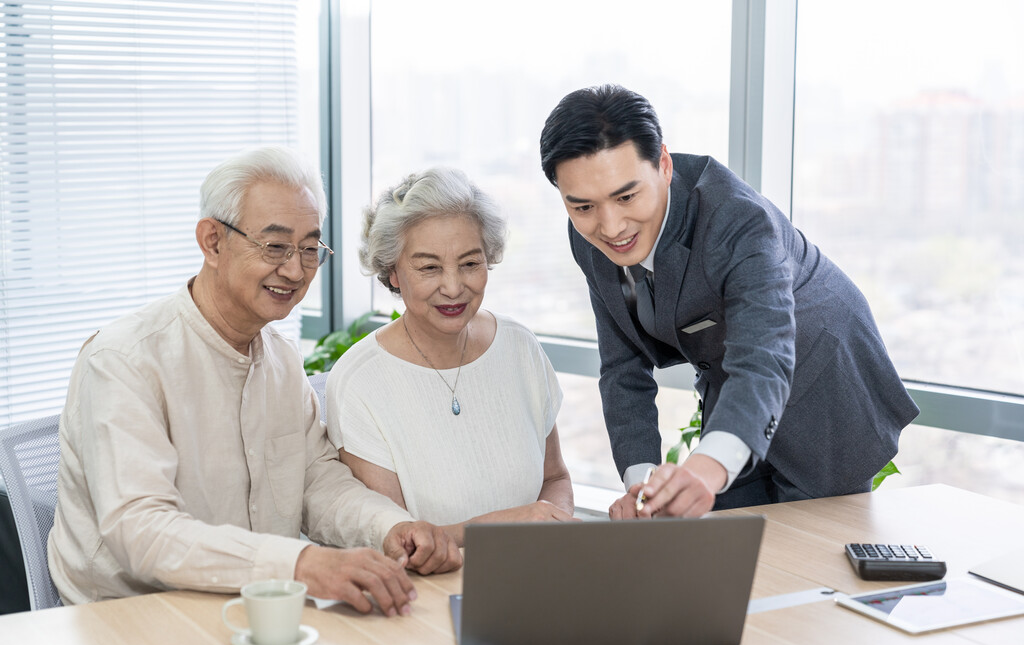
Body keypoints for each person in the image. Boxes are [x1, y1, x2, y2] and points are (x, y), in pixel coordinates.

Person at [48, 146, 461, 611]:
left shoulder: (281, 359)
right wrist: (300, 563)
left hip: (253, 609)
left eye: (309, 250)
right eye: (275, 246)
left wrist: (390, 527)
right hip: (128, 620)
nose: (294, 270)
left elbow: (317, 481)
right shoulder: (124, 360)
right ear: (212, 242)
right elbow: (142, 532)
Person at [539, 84, 920, 519]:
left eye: (627, 196)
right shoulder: (586, 238)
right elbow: (622, 368)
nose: (610, 226)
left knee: (811, 558)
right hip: (732, 386)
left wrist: (708, 466)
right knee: (726, 543)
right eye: (583, 206)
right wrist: (643, 485)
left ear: (663, 164)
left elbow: (764, 358)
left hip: (820, 382)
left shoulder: (735, 218)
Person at [325, 167, 574, 545]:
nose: (454, 287)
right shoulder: (361, 381)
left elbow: (554, 479)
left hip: (535, 579)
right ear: (393, 272)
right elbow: (395, 540)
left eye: (470, 263)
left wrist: (550, 529)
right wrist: (510, 526)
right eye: (429, 267)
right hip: (429, 595)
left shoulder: (520, 348)